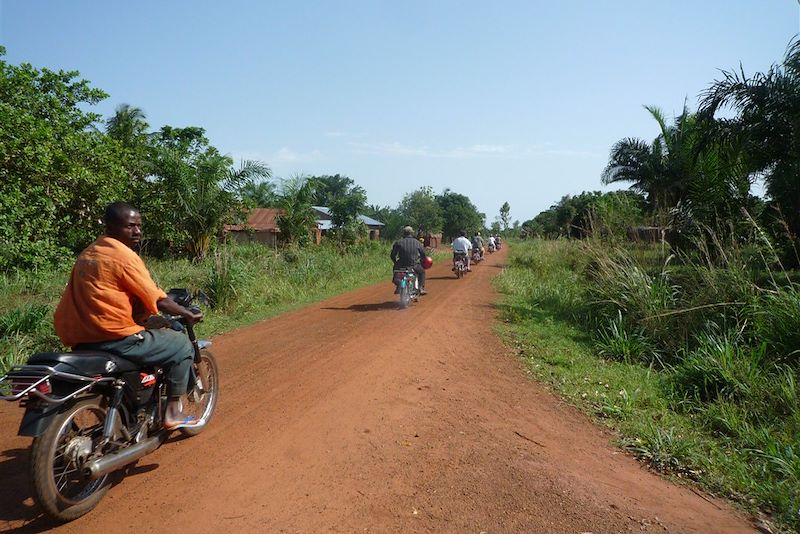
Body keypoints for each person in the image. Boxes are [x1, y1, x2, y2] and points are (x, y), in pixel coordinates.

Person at [54, 202, 204, 430]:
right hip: (114, 338)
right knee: (181, 345)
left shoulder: (89, 253)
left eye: (139, 226)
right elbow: (158, 299)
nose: (137, 231)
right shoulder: (124, 257)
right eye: (130, 226)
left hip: (81, 337)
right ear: (111, 227)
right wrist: (186, 314)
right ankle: (173, 412)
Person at [390, 225, 428, 295]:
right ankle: (421, 288)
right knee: (422, 272)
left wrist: (395, 262)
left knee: (395, 270)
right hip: (414, 265)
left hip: (401, 265)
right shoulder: (417, 242)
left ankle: (398, 285)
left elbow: (392, 255)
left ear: (403, 233)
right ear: (411, 233)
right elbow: (423, 254)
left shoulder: (398, 242)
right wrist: (422, 261)